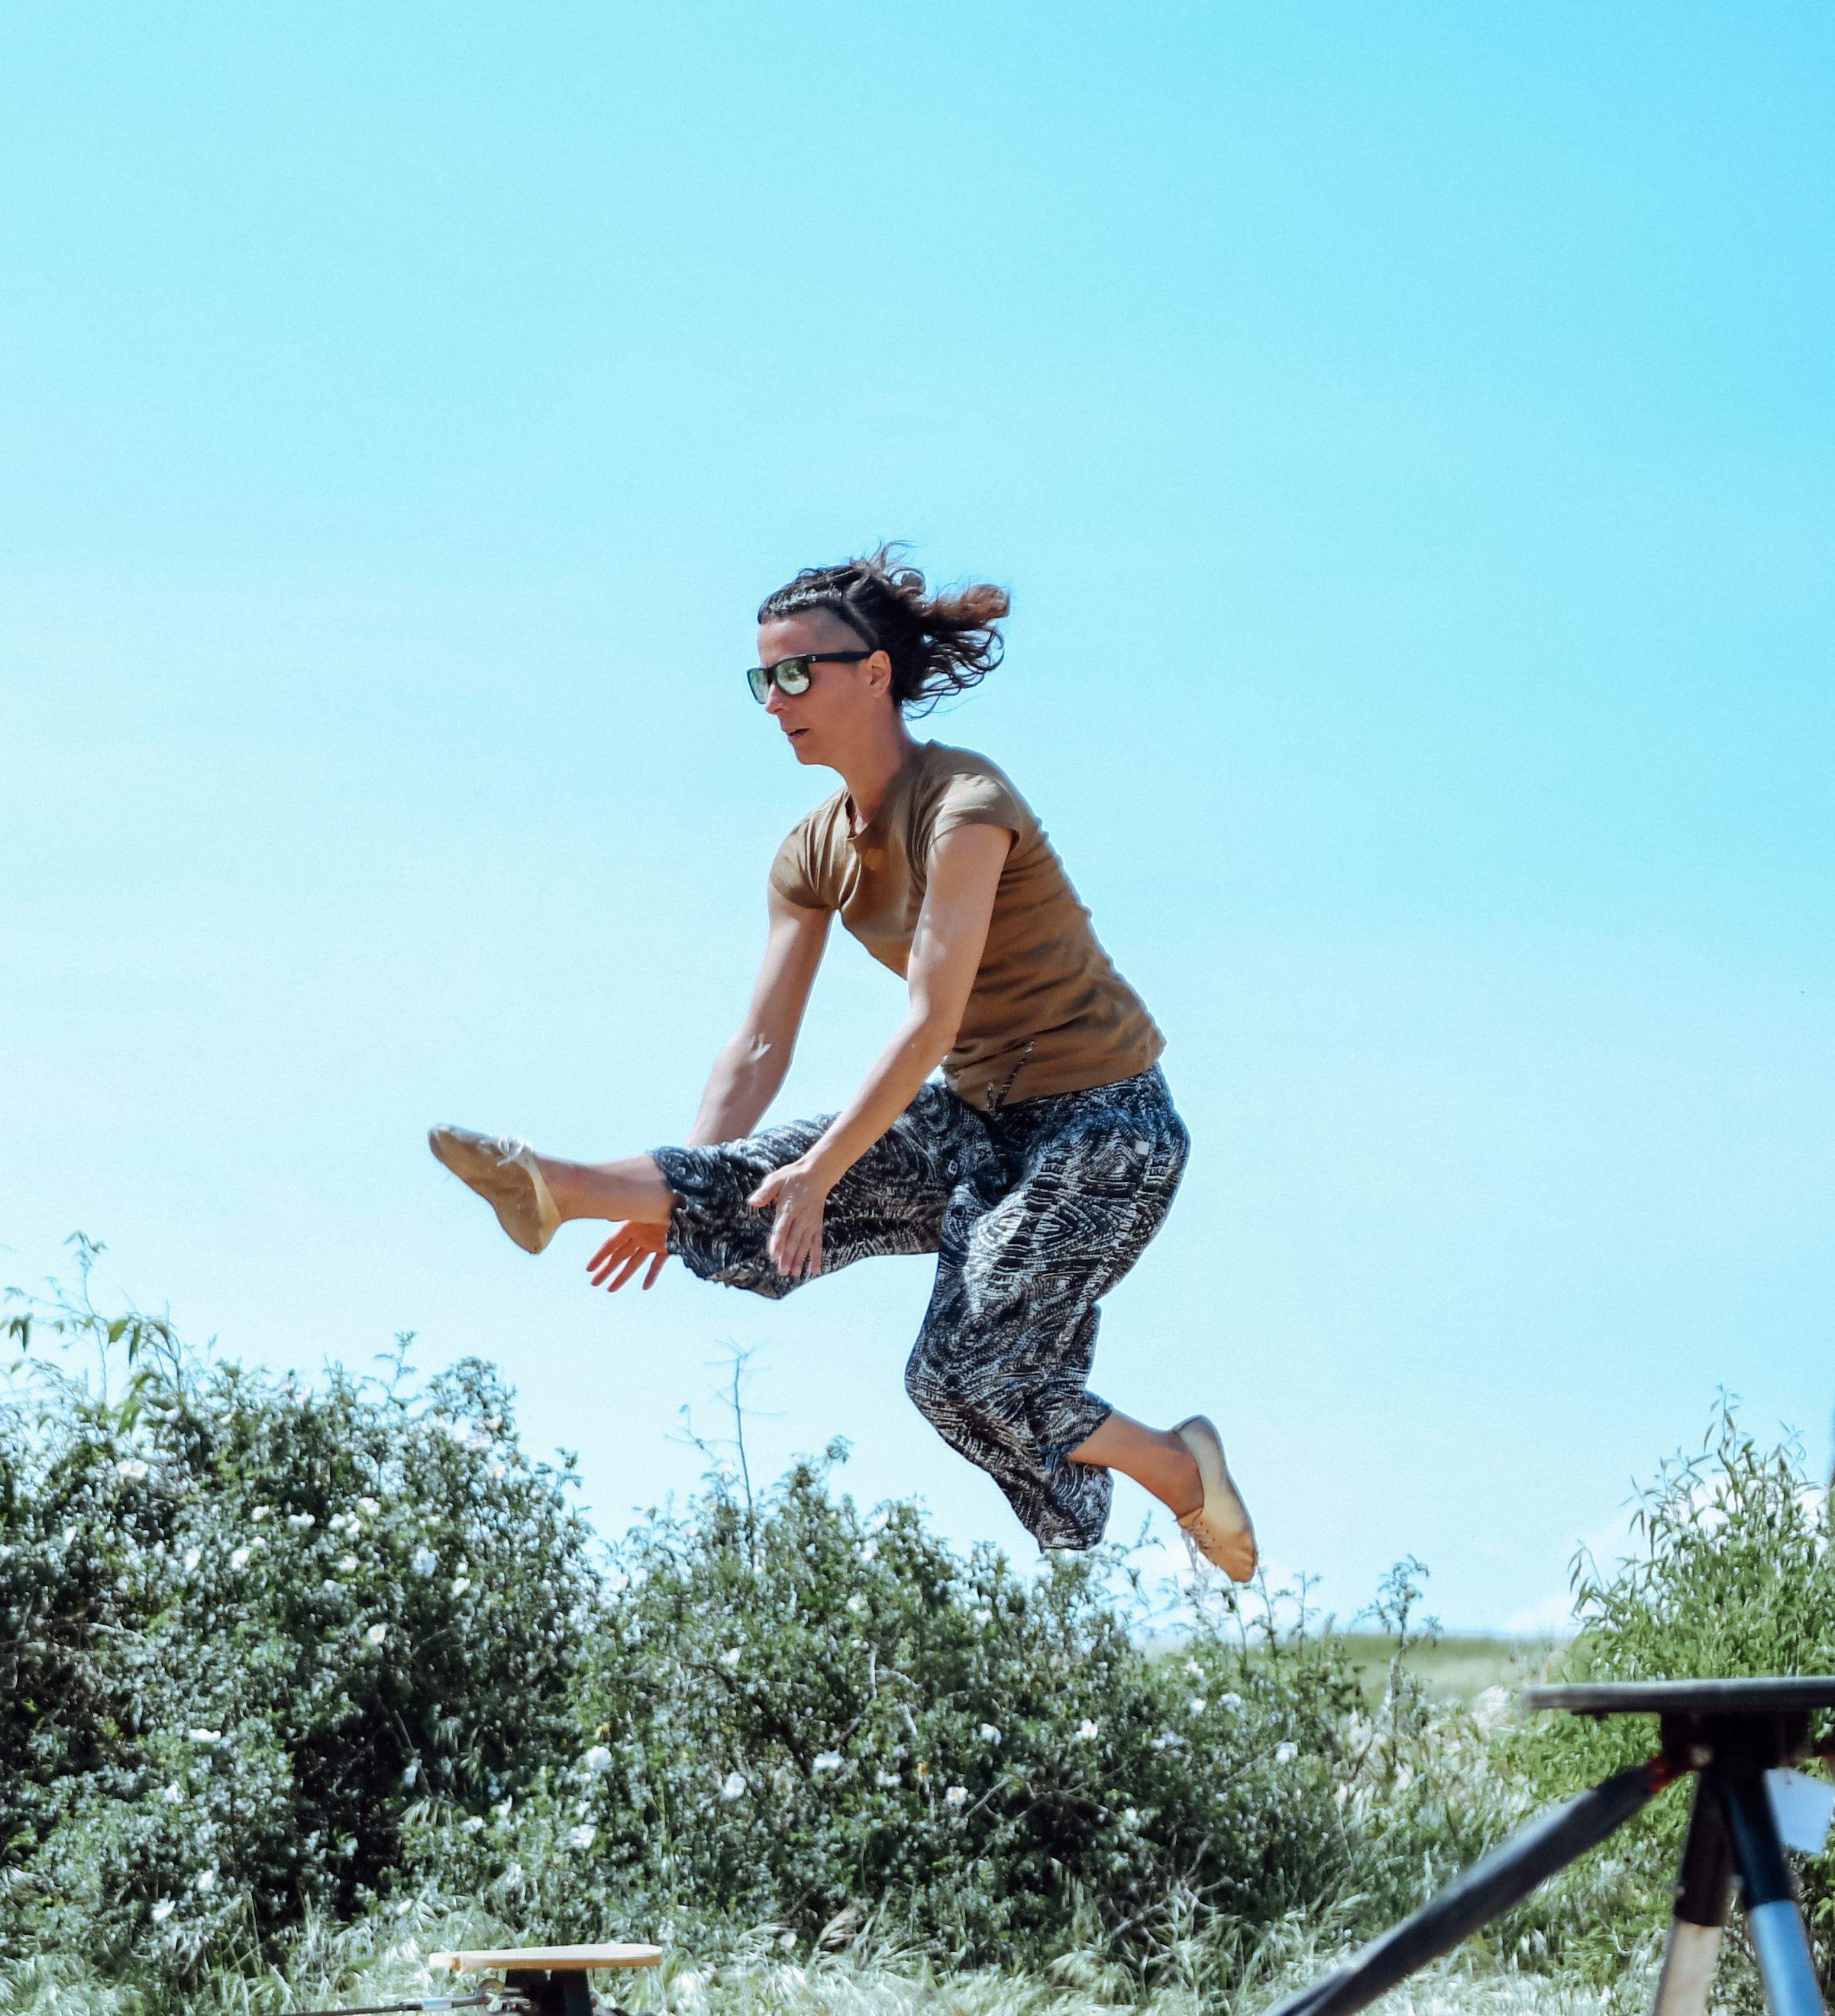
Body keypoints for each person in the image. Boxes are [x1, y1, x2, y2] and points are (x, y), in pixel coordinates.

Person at [425, 553, 1256, 1578]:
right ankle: (560, 1187)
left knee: (956, 1378)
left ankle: (1177, 1468)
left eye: (794, 675)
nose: (774, 703)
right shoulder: (808, 851)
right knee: (751, 1190)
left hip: (1102, 1127)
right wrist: (678, 1187)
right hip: (977, 1121)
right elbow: (759, 1042)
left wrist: (822, 1171)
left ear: (871, 673)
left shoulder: (963, 802)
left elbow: (926, 1019)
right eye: (758, 681)